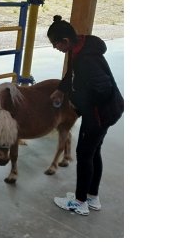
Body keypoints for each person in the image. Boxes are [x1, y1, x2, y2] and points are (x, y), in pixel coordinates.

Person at [47, 15, 119, 216]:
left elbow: (103, 89)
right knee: (93, 152)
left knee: (84, 154)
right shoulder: (80, 48)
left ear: (66, 41)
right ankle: (92, 197)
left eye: (56, 44)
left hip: (99, 114)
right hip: (105, 112)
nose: (55, 48)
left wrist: (77, 102)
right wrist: (62, 89)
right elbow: (71, 73)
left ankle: (79, 202)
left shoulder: (86, 59)